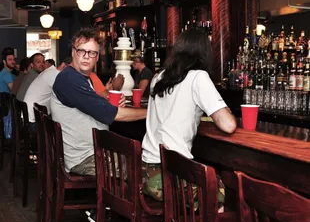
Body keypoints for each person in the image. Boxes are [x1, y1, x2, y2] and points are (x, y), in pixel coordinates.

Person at [142, 29, 237, 209]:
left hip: (146, 171)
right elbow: (228, 125)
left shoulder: (158, 77)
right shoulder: (198, 77)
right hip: (168, 176)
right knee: (216, 188)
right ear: (205, 53)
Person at [51, 28, 146, 176]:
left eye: (92, 53)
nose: (86, 57)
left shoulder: (80, 78)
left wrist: (106, 101)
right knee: (142, 168)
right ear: (73, 52)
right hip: (85, 159)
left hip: (93, 152)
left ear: (97, 58)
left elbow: (91, 104)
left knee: (139, 157)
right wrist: (152, 111)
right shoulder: (69, 79)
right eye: (81, 51)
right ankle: (119, 198)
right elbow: (114, 115)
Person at [24, 56, 72, 136]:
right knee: (63, 131)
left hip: (27, 118)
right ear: (64, 65)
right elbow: (68, 97)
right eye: (72, 70)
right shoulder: (56, 76)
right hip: (33, 123)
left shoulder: (50, 71)